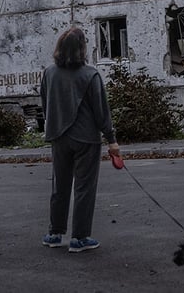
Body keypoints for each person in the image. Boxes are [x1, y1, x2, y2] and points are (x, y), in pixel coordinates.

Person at [40, 27, 121, 253]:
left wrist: (55, 125)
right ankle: (79, 238)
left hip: (58, 137)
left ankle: (54, 234)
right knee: (84, 188)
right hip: (86, 139)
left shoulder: (49, 73)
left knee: (60, 186)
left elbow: (46, 105)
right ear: (82, 49)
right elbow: (101, 110)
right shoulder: (90, 74)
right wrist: (112, 140)